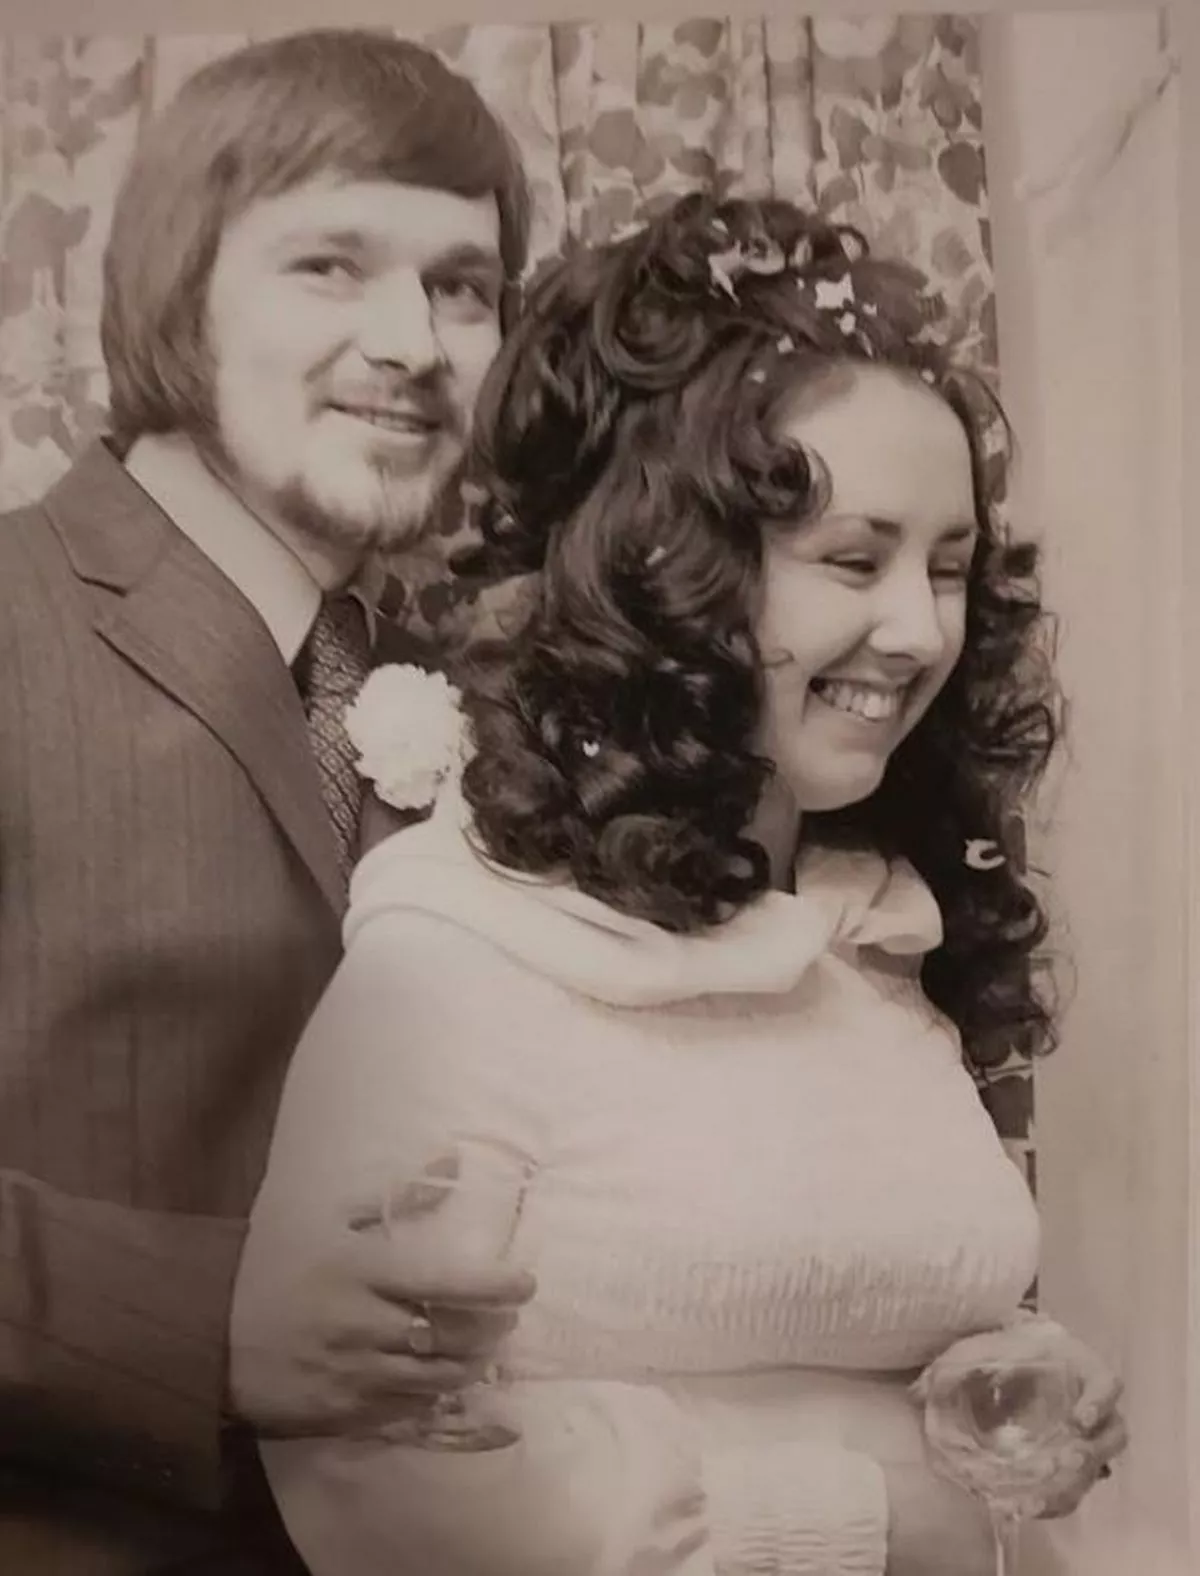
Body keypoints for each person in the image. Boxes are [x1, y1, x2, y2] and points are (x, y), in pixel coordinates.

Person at [239, 192, 1128, 1575]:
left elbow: (839, 1305)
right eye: (854, 560)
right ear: (670, 575)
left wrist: (992, 1392)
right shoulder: (451, 960)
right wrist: (878, 1519)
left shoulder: (872, 926)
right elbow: (369, 1487)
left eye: (949, 569)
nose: (916, 629)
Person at [0, 28, 537, 1576]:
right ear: (178, 295)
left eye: (462, 287)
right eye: (329, 267)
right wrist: (197, 1324)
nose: (418, 343)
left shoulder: (476, 682)